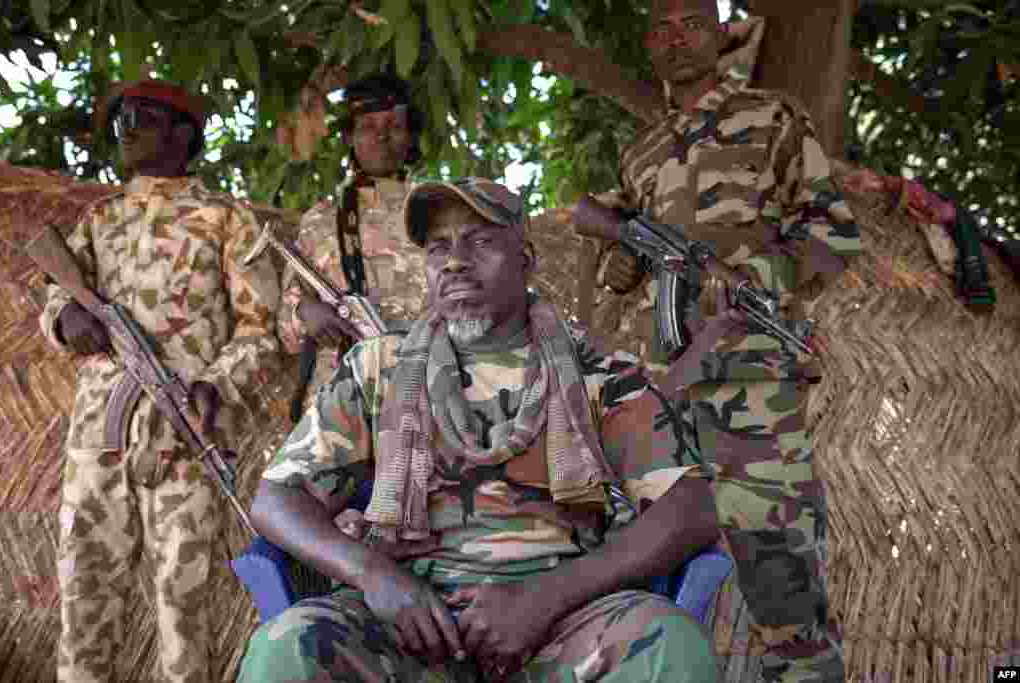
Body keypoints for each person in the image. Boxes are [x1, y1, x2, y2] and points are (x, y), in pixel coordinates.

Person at [236, 178, 731, 683]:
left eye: (481, 240)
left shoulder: (596, 370)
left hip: (563, 624)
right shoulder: (378, 369)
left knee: (671, 647)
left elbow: (689, 508)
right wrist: (373, 574)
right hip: (409, 628)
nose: (455, 261)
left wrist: (546, 597)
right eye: (438, 247)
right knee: (286, 650)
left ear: (526, 258)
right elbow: (277, 498)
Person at [590, 0, 865, 680]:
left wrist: (747, 279)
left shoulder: (772, 120)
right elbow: (621, 257)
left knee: (783, 587)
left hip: (754, 388)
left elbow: (832, 239)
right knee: (658, 582)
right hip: (670, 391)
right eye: (660, 29)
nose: (676, 40)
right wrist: (623, 257)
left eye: (692, 24)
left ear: (721, 34)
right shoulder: (643, 152)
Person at [39, 79, 280, 682]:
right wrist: (65, 318)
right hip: (100, 436)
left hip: (185, 437)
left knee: (182, 608)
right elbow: (53, 294)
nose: (126, 128)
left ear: (182, 133)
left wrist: (218, 384)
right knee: (86, 599)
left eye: (142, 117)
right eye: (120, 117)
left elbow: (262, 328)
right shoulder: (100, 220)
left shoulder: (226, 220)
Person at [278, 73, 429, 422]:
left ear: (411, 137)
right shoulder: (321, 222)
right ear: (350, 137)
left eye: (394, 125)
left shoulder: (437, 212)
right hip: (337, 409)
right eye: (367, 126)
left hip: (422, 400)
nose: (381, 136)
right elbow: (285, 325)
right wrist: (305, 313)